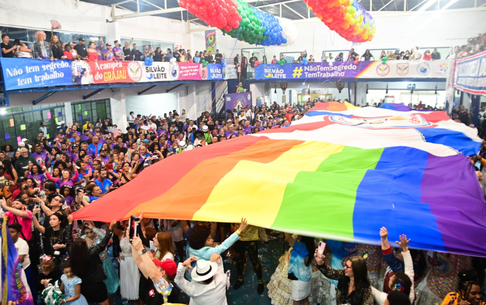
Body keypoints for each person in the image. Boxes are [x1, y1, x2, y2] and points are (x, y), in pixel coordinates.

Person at [70, 218, 116, 305]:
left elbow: (109, 240)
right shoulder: (83, 240)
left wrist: (94, 229)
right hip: (95, 270)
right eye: (87, 233)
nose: (89, 235)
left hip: (105, 264)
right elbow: (102, 245)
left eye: (91, 232)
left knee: (109, 288)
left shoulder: (100, 233)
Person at [285, 233, 314, 305]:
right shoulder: (310, 245)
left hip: (298, 278)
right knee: (305, 298)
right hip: (305, 276)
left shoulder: (302, 246)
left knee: (296, 301)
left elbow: (288, 238)